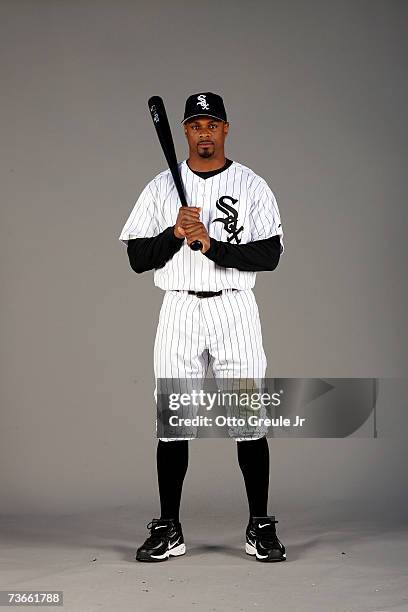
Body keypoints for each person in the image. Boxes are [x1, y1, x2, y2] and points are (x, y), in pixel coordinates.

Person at [118, 92, 286, 563]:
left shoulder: (251, 185)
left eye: (212, 124)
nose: (204, 132)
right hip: (179, 309)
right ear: (186, 132)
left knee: (248, 416)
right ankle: (169, 527)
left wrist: (214, 247)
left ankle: (259, 524)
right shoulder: (159, 188)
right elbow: (135, 259)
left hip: (234, 309)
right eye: (195, 125)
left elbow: (269, 254)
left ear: (226, 129)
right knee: (173, 421)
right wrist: (174, 234)